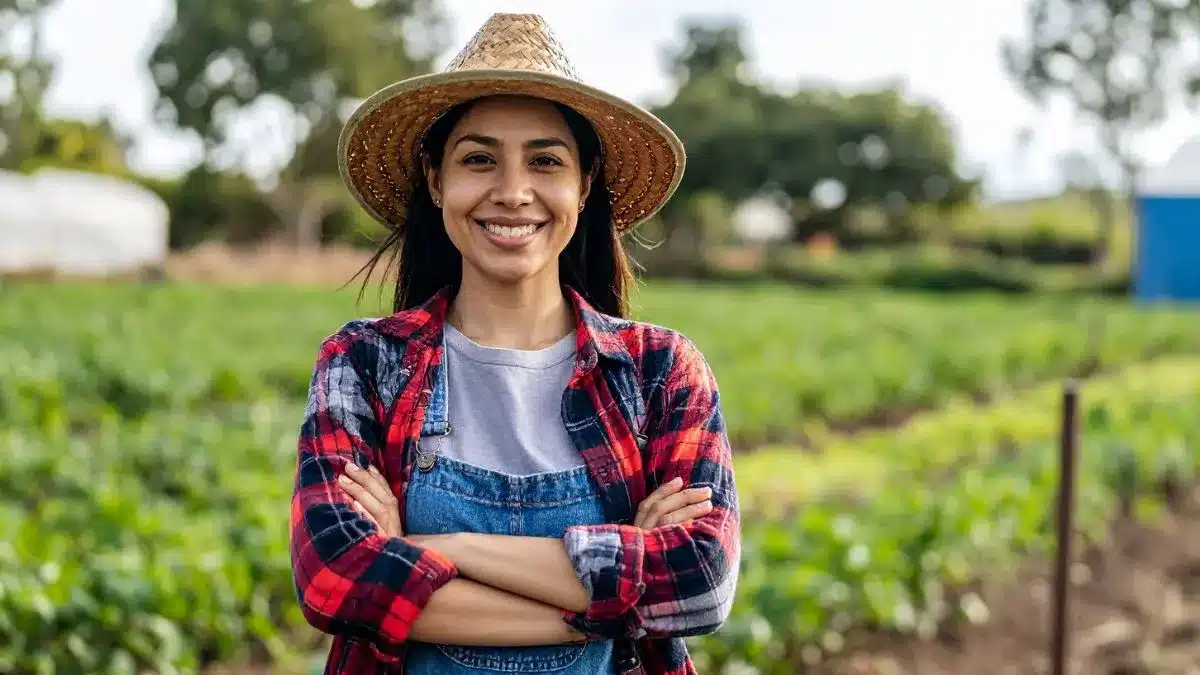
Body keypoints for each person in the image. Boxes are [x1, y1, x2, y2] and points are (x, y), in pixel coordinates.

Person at [290, 13, 741, 675]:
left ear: (584, 184)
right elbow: (334, 575)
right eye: (479, 158)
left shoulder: (659, 372)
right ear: (437, 179)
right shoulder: (365, 364)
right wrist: (618, 595)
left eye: (544, 160)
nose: (512, 191)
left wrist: (424, 546)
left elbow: (700, 579)